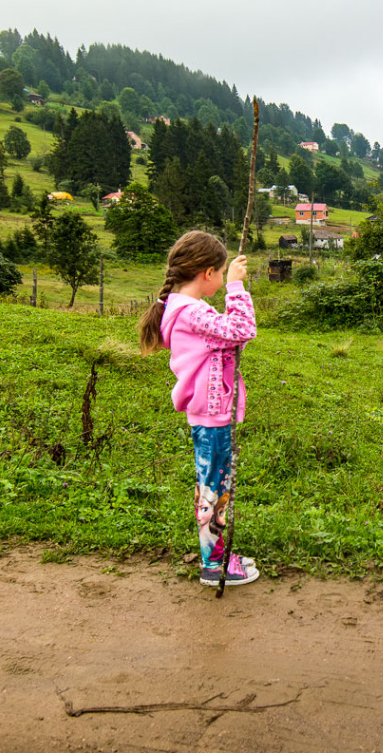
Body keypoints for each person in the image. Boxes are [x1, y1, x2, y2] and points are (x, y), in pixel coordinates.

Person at [138, 231, 259, 586]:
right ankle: (214, 565)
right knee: (213, 490)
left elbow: (225, 335)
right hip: (211, 413)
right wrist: (235, 289)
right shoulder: (189, 312)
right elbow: (242, 328)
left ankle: (217, 557)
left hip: (211, 410)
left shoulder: (184, 309)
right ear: (207, 273)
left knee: (214, 485)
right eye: (221, 273)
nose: (223, 278)